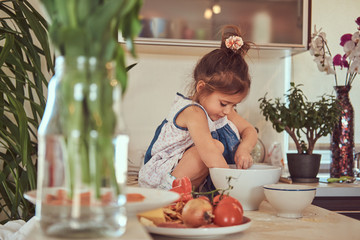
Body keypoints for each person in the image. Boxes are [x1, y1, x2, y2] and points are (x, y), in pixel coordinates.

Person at [138, 25, 258, 191]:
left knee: (217, 148)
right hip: (161, 177)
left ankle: (184, 194)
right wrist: (234, 189)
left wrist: (244, 150)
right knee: (215, 148)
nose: (228, 111)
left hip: (188, 182)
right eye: (224, 103)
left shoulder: (221, 113)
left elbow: (250, 130)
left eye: (234, 105)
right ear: (201, 88)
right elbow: (209, 153)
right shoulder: (193, 112)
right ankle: (168, 192)